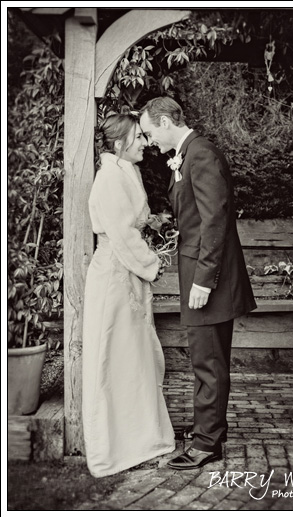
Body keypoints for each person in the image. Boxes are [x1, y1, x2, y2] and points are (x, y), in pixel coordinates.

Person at [140, 97, 257, 470]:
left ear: (164, 122)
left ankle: (207, 444)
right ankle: (209, 428)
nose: (148, 140)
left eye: (148, 132)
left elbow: (214, 221)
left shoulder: (200, 153)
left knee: (208, 360)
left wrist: (204, 281)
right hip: (199, 272)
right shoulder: (185, 154)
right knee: (205, 357)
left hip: (211, 279)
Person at [82, 112, 175, 478]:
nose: (144, 142)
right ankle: (114, 449)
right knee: (115, 358)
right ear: (119, 144)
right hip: (114, 279)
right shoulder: (108, 180)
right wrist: (152, 262)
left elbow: (132, 226)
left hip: (128, 276)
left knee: (134, 359)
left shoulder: (126, 173)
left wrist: (150, 246)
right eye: (138, 137)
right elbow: (121, 235)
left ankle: (142, 438)